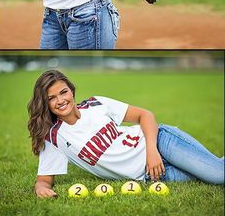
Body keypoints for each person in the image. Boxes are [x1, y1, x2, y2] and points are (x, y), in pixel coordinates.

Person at [27, 70, 224, 198]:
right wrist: (41, 189)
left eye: (63, 92)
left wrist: (152, 152)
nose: (60, 100)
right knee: (211, 173)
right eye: (51, 98)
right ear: (46, 104)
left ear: (71, 91)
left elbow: (145, 115)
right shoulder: (54, 137)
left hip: (160, 142)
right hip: (152, 176)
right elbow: (44, 180)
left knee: (218, 175)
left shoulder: (96, 104)